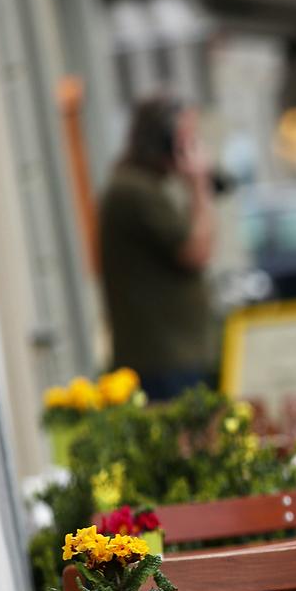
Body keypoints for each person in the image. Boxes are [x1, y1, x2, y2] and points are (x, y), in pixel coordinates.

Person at [98, 95, 217, 401]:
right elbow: (196, 252)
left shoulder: (142, 186)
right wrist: (199, 186)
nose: (194, 150)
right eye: (186, 141)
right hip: (163, 363)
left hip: (172, 358)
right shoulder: (135, 191)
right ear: (162, 142)